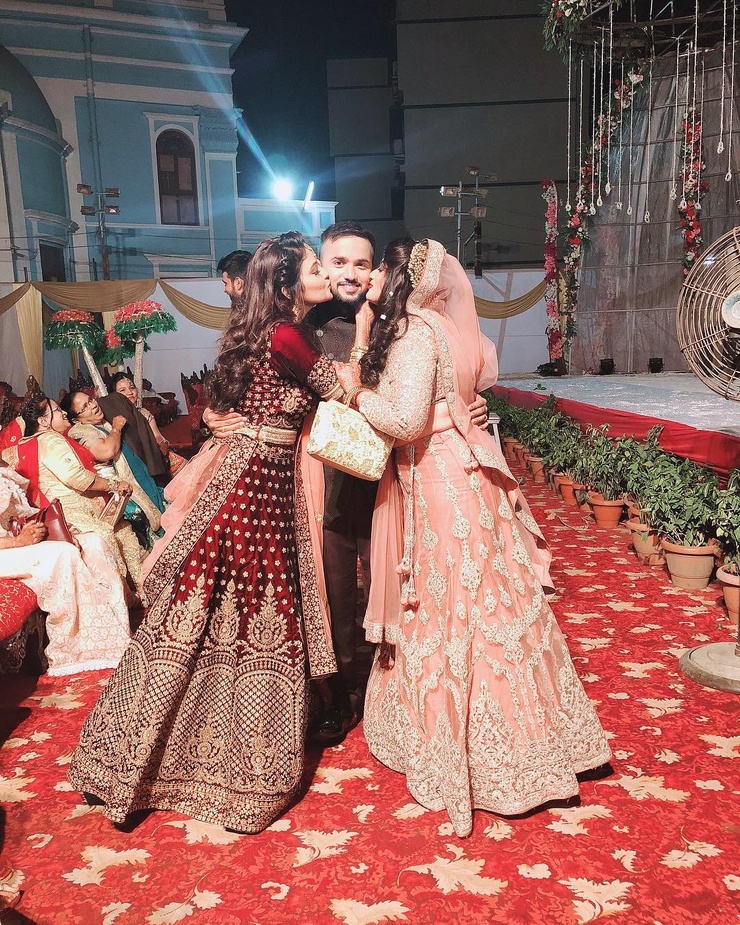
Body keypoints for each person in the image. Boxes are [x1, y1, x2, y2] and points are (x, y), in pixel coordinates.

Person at [335, 238, 611, 838]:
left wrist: (355, 391)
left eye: (381, 266)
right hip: (464, 472)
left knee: (451, 605)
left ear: (402, 276)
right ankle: (539, 743)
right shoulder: (445, 327)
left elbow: (406, 420)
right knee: (492, 599)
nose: (373, 274)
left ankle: (479, 754)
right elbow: (459, 397)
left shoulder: (414, 331)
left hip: (438, 479)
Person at [68, 231, 344, 833]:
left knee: (218, 612)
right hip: (255, 485)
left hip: (256, 478)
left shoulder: (272, 331)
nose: (326, 274)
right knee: (250, 612)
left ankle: (155, 755)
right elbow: (343, 389)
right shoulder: (288, 334)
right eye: (315, 267)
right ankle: (236, 771)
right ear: (286, 283)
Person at [206, 221, 491, 745]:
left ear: (376, 268)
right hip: (320, 479)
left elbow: (440, 376)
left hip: (392, 479)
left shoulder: (396, 319)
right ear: (320, 266)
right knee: (330, 591)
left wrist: (468, 403)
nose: (350, 273)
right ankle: (337, 695)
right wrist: (214, 416)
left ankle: (402, 691)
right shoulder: (300, 321)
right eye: (337, 263)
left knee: (401, 588)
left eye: (362, 263)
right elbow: (243, 380)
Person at [1, 397, 144, 598]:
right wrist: (114, 485)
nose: (64, 413)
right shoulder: (50, 439)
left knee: (122, 529)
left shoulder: (21, 447)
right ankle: (127, 596)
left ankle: (139, 588)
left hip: (58, 512)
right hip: (70, 514)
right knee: (108, 533)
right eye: (57, 410)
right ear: (43, 421)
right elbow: (77, 478)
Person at [0, 461, 130, 675]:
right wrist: (17, 542)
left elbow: (24, 514)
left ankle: (114, 635)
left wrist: (64, 532)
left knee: (94, 543)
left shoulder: (4, 470)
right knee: (64, 553)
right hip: (6, 550)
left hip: (15, 543)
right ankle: (71, 652)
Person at [61, 391, 165, 548]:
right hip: (120, 487)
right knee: (146, 519)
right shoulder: (79, 431)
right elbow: (106, 452)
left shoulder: (103, 420)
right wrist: (116, 428)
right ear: (76, 419)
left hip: (137, 474)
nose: (93, 405)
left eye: (91, 400)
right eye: (85, 407)